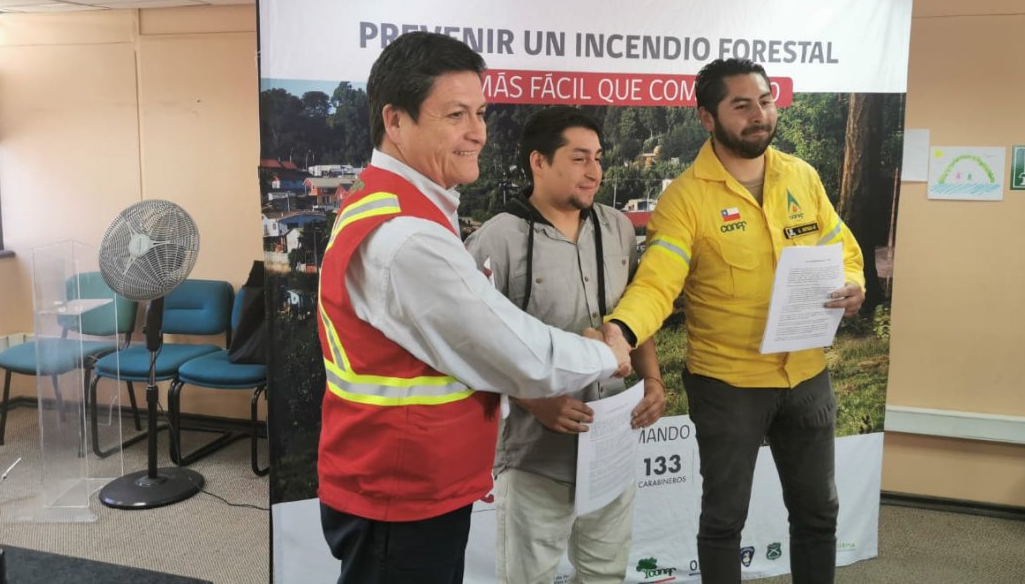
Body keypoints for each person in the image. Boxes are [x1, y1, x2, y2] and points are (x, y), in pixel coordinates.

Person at [315, 32, 632, 584]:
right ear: (395, 121)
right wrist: (606, 355)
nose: (478, 132)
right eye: (455, 115)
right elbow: (516, 352)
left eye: (480, 113)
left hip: (412, 480)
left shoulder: (405, 207)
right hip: (401, 492)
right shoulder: (406, 235)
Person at [602, 58, 865, 584]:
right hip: (728, 385)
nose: (759, 115)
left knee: (819, 514)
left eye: (765, 101)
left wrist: (853, 283)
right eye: (741, 105)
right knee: (724, 522)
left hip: (807, 376)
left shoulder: (801, 176)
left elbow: (842, 248)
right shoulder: (685, 199)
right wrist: (623, 330)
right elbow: (657, 281)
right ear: (708, 117)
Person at [465, 106, 666, 584]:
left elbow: (635, 312)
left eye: (598, 158)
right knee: (526, 578)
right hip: (535, 455)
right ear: (539, 161)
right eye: (579, 158)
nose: (594, 171)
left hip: (611, 442)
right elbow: (473, 345)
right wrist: (537, 401)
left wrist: (653, 379)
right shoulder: (498, 240)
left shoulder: (618, 228)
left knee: (605, 574)